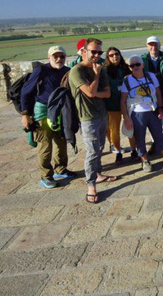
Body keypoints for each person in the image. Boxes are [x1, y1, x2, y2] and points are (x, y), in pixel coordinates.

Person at [20, 46, 77, 189]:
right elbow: (26, 91)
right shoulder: (41, 70)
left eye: (61, 56)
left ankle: (61, 169)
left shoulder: (67, 71)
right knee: (45, 144)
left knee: (62, 141)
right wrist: (25, 114)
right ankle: (46, 175)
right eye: (55, 56)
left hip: (61, 111)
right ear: (49, 57)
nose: (58, 59)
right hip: (43, 112)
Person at [68, 38, 116, 204]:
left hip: (101, 114)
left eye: (99, 52)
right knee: (92, 151)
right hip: (87, 117)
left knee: (101, 146)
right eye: (93, 52)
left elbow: (107, 93)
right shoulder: (76, 71)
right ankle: (91, 186)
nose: (96, 55)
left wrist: (94, 90)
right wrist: (95, 77)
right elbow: (89, 92)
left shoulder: (101, 70)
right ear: (84, 52)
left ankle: (98, 174)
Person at [121, 55, 163, 171]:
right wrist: (126, 117)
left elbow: (158, 93)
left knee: (159, 135)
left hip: (152, 111)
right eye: (132, 65)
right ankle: (145, 161)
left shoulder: (151, 76)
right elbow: (123, 100)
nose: (135, 67)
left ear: (143, 65)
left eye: (137, 64)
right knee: (140, 138)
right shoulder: (127, 80)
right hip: (137, 114)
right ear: (129, 68)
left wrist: (160, 109)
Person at [104, 47, 137, 164]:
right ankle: (117, 152)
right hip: (112, 105)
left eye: (117, 54)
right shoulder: (105, 71)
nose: (115, 57)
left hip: (127, 103)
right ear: (107, 57)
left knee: (130, 127)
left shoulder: (126, 69)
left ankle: (134, 150)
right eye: (111, 55)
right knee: (114, 130)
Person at [142, 36, 163, 139]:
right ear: (147, 46)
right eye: (151, 45)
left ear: (159, 45)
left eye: (155, 45)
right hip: (150, 94)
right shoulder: (142, 59)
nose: (153, 47)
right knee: (155, 120)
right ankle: (156, 142)